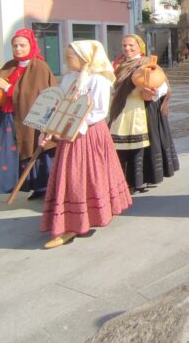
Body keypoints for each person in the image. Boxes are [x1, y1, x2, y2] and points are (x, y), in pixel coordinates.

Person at [40, 41, 131, 249]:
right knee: (71, 176)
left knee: (84, 175)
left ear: (84, 59)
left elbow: (99, 111)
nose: (66, 60)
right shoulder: (69, 79)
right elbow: (60, 104)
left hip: (88, 133)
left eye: (70, 57)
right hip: (69, 132)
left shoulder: (99, 81)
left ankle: (80, 220)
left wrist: (73, 124)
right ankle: (72, 220)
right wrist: (50, 128)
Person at [0, 28, 57, 206]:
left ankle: (42, 187)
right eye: (15, 45)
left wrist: (8, 89)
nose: (18, 49)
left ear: (31, 45)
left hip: (31, 119)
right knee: (0, 154)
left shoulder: (39, 66)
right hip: (8, 117)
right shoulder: (10, 65)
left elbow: (36, 94)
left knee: (36, 151)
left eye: (22, 45)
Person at [109, 34, 179, 194]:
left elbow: (163, 85)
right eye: (124, 45)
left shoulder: (147, 62)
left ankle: (142, 179)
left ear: (139, 46)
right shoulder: (118, 64)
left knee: (142, 145)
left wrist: (153, 92)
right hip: (122, 109)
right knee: (121, 144)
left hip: (143, 109)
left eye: (131, 45)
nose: (127, 48)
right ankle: (125, 179)